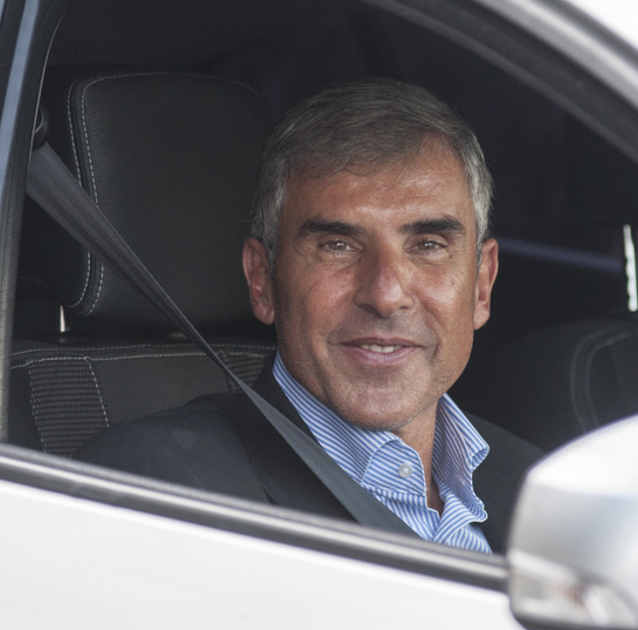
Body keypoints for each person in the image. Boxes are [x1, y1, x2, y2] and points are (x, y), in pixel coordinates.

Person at [75, 79, 543, 553]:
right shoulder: (158, 488)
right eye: (337, 246)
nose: (385, 295)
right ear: (263, 280)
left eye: (428, 245)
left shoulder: (542, 487)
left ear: (481, 285)